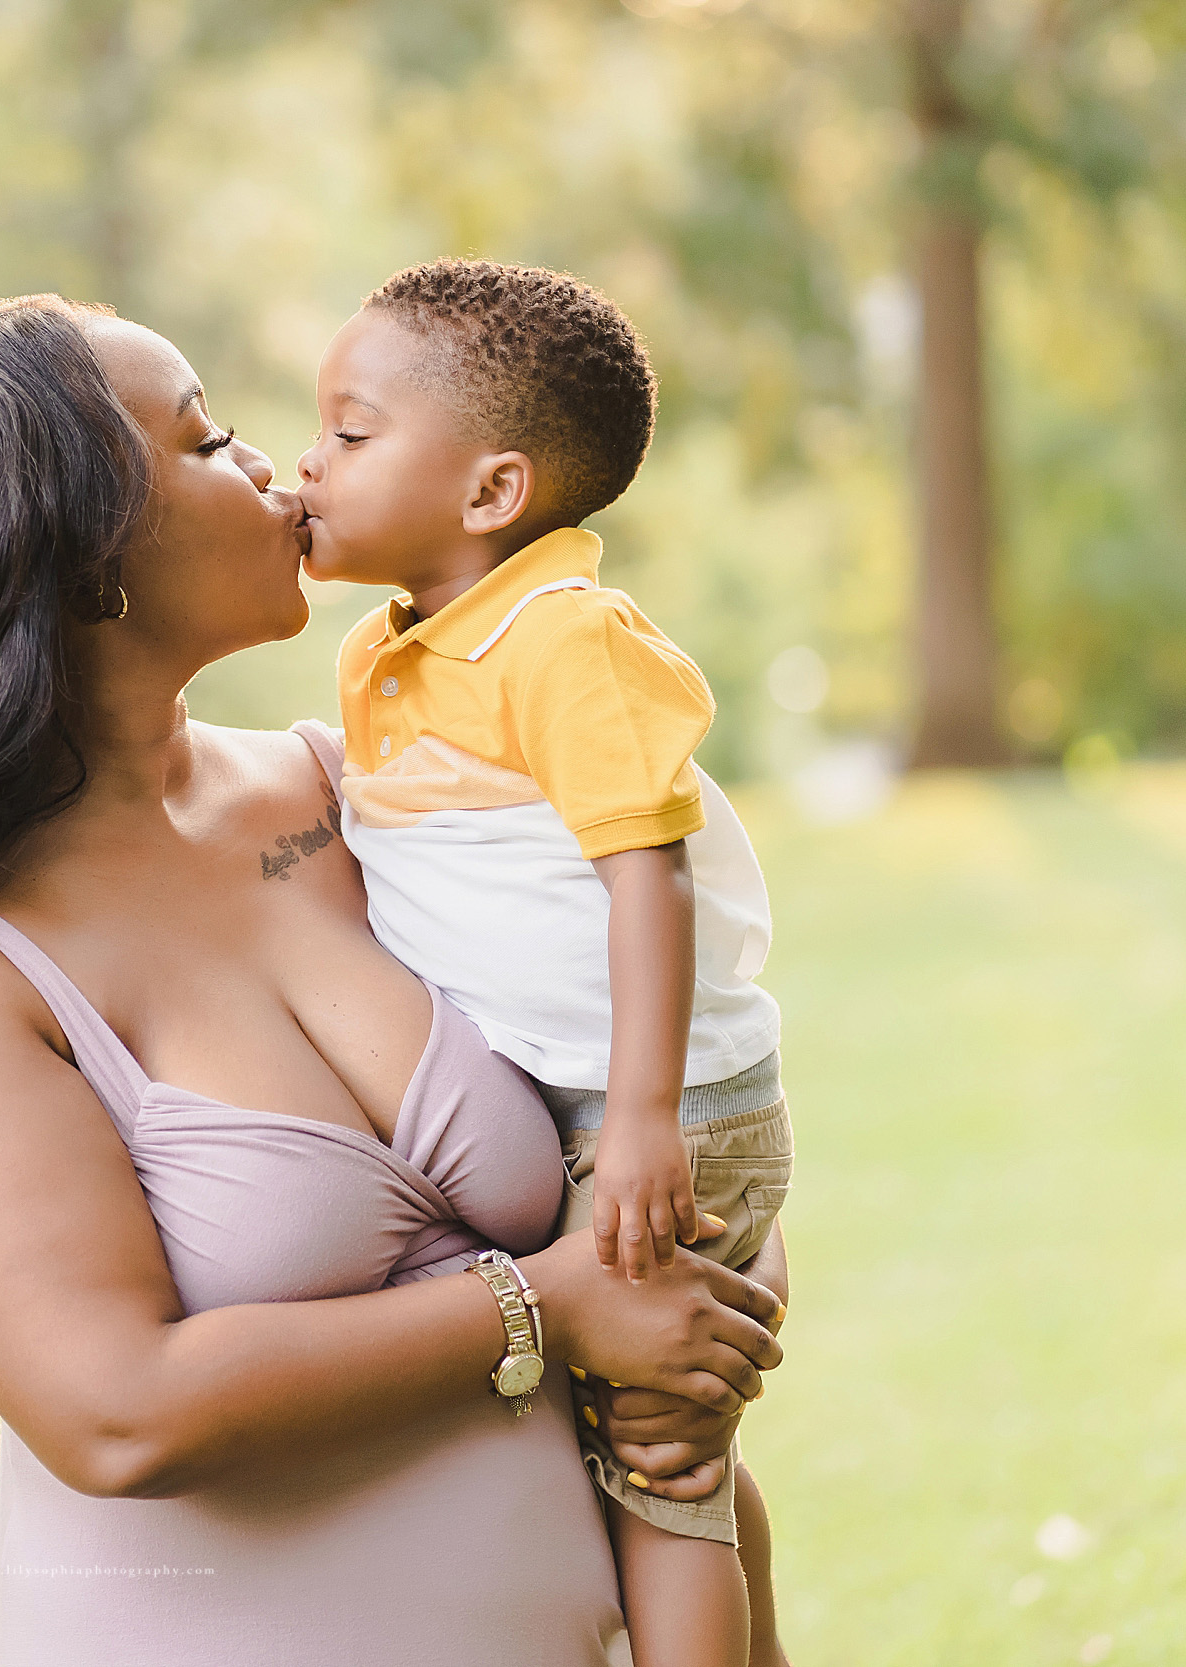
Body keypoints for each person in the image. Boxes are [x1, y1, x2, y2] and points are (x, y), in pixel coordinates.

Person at [0, 292, 785, 1665]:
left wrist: (702, 1341)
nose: (276, 467)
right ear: (75, 554)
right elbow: (119, 1413)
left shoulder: (372, 796)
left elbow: (687, 1098)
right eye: (205, 437)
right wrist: (555, 1307)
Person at [294, 258, 794, 1667]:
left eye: (349, 432)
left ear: (491, 492)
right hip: (580, 1107)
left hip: (649, 1113)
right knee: (631, 1454)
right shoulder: (389, 655)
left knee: (662, 1475)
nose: (305, 466)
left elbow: (650, 879)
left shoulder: (567, 637)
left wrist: (641, 1125)